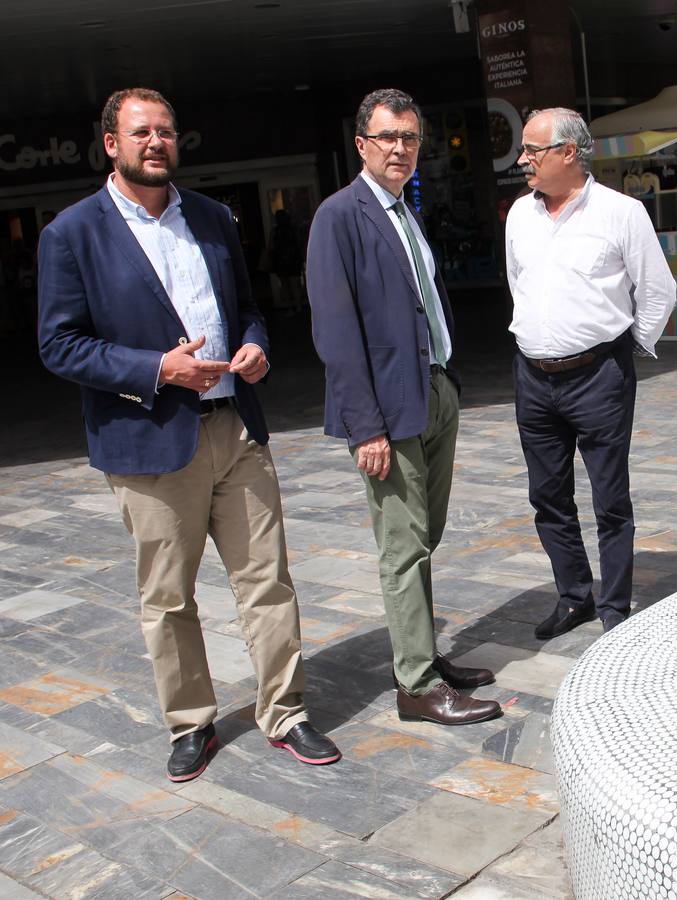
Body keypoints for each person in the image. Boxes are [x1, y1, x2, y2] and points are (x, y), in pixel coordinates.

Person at [36, 88, 339, 781]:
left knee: (268, 581)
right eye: (141, 131)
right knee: (169, 597)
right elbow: (59, 345)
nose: (156, 142)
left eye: (166, 131)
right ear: (110, 143)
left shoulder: (211, 217)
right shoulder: (71, 233)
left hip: (236, 429)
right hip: (149, 443)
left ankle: (285, 712)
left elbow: (249, 309)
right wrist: (156, 368)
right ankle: (191, 723)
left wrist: (256, 346)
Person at [306, 88, 500, 727]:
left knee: (426, 534)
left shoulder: (405, 212)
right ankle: (416, 686)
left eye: (410, 137)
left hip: (434, 393)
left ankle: (419, 654)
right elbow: (335, 333)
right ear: (360, 144)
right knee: (403, 544)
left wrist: (450, 383)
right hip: (386, 413)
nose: (400, 148)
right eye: (388, 137)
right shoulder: (340, 216)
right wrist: (366, 427)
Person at [504, 108, 677, 638]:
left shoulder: (622, 213)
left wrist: (627, 348)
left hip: (599, 376)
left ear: (569, 153)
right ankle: (574, 596)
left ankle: (615, 608)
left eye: (533, 150)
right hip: (533, 378)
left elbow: (657, 291)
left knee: (609, 498)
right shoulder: (518, 215)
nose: (522, 159)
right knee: (548, 497)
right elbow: (519, 283)